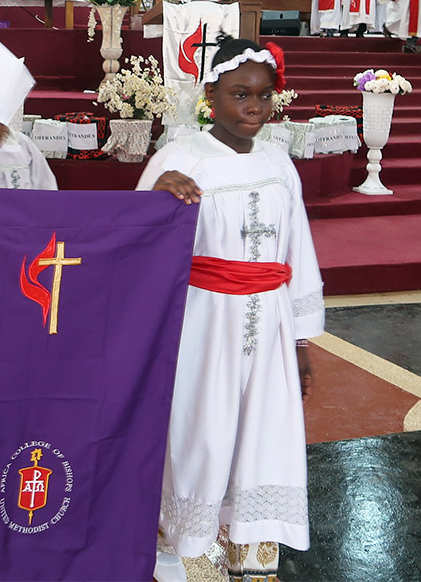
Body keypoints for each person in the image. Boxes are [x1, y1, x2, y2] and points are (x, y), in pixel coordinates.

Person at [136, 37, 323, 582]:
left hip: (270, 322)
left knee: (263, 433)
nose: (255, 108)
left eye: (265, 97)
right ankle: (186, 551)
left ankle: (253, 550)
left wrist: (301, 343)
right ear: (209, 95)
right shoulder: (180, 159)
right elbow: (139, 246)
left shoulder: (279, 161)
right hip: (203, 323)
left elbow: (299, 249)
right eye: (240, 94)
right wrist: (156, 200)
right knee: (202, 431)